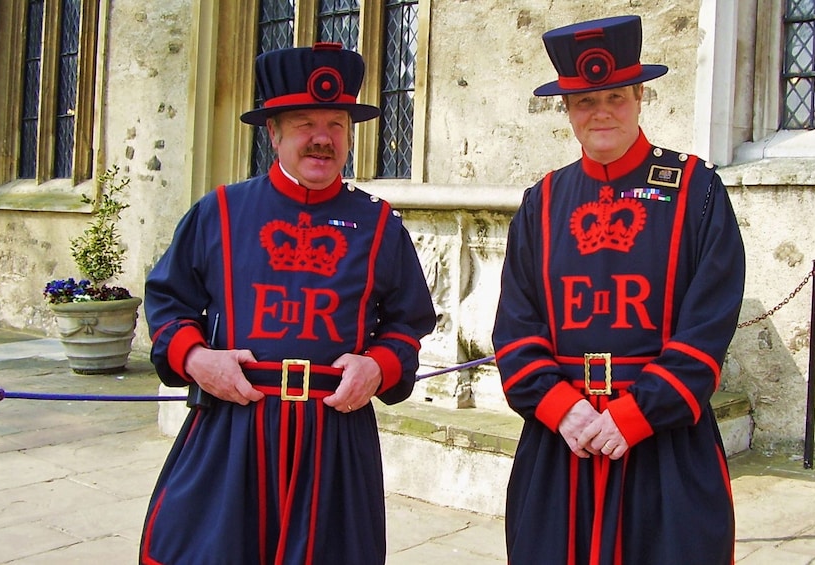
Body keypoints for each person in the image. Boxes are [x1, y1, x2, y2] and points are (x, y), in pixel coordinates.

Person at [140, 43, 436, 564]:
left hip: (334, 442)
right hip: (233, 434)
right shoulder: (220, 212)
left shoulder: (379, 224)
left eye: (336, 124)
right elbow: (168, 303)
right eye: (304, 123)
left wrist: (379, 365)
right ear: (273, 132)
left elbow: (409, 323)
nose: (322, 139)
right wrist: (195, 358)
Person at [492, 15, 745, 565]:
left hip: (664, 444)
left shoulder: (696, 191)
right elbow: (516, 324)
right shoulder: (543, 201)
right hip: (564, 443)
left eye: (615, 97)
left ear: (639, 97)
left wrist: (635, 415)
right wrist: (561, 407)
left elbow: (710, 322)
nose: (600, 111)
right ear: (567, 111)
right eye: (584, 101)